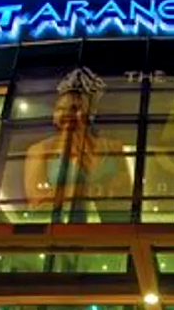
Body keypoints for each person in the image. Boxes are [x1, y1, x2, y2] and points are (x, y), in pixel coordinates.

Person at [23, 67, 130, 221]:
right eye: (61, 109)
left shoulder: (113, 146)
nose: (68, 114)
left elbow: (126, 189)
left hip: (109, 229)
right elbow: (35, 196)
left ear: (90, 112)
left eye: (76, 108)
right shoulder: (40, 150)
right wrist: (88, 191)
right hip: (58, 229)